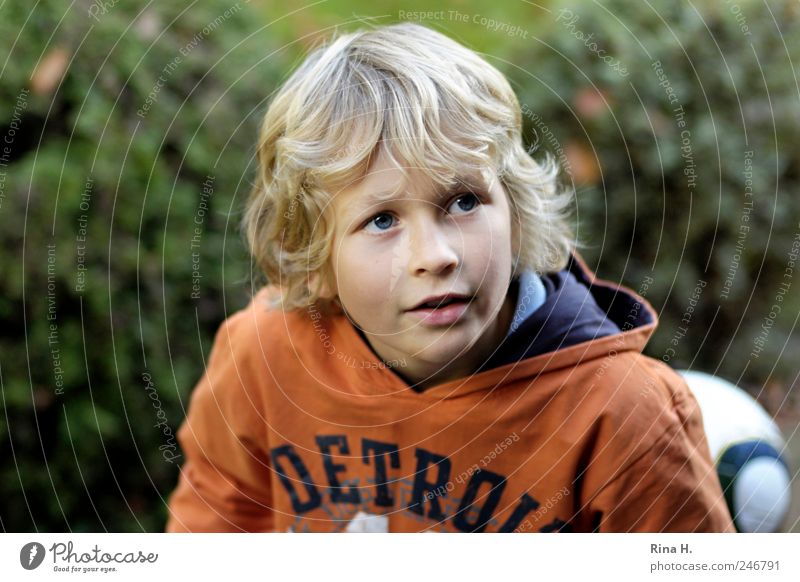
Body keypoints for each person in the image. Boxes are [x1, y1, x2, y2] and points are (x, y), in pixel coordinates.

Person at [165, 22, 734, 533]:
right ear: (314, 257)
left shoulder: (624, 414)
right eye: (381, 219)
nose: (434, 255)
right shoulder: (261, 355)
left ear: (516, 210)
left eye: (463, 201)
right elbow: (211, 527)